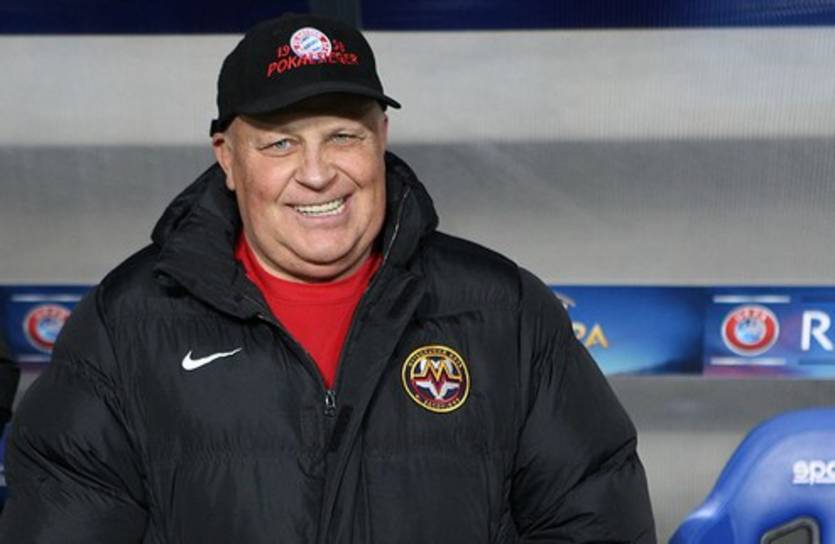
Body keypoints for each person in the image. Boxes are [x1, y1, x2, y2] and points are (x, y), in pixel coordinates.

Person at [0, 13, 655, 543]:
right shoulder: (126, 324)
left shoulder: (502, 310)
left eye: (343, 136)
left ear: (381, 137)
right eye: (280, 143)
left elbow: (595, 520)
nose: (317, 174)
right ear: (227, 157)